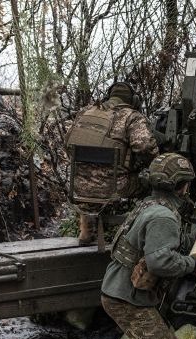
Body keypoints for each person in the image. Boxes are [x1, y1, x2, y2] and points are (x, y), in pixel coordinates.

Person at [100, 152, 196, 339]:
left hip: (120, 290)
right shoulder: (164, 216)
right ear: (182, 186)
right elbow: (159, 261)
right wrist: (193, 265)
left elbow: (164, 242)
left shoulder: (151, 205)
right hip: (126, 298)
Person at [66, 82, 158, 245]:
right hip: (114, 188)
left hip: (78, 186)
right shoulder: (132, 116)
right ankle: (136, 231)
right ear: (133, 100)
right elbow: (145, 147)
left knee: (91, 178)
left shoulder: (85, 112)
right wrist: (153, 164)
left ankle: (86, 230)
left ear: (109, 97)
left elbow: (68, 145)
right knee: (149, 182)